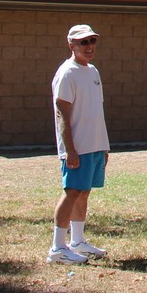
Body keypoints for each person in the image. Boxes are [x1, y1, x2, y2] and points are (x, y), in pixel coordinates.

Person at [47, 23, 111, 264]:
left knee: (84, 192)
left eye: (92, 41)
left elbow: (96, 110)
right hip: (77, 147)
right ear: (71, 44)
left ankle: (78, 241)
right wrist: (70, 149)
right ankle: (57, 248)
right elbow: (61, 112)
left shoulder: (93, 72)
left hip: (94, 145)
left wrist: (103, 145)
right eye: (83, 42)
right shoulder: (67, 73)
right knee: (72, 192)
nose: (89, 46)